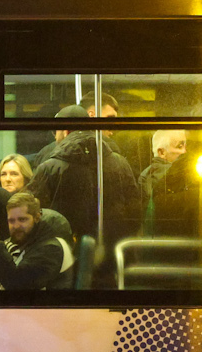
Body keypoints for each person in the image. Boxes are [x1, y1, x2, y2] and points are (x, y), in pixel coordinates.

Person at [31, 107, 142, 267]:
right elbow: (135, 209)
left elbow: (33, 211)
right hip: (114, 250)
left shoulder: (50, 167)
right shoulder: (119, 162)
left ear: (66, 132)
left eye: (56, 131)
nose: (55, 137)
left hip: (65, 254)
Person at [0, 191, 75, 290]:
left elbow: (15, 283)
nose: (16, 226)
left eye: (22, 219)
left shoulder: (51, 248)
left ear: (37, 218)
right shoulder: (24, 239)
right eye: (11, 221)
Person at [0, 153, 34, 236]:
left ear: (26, 178)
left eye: (14, 174)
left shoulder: (33, 205)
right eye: (3, 174)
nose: (7, 179)